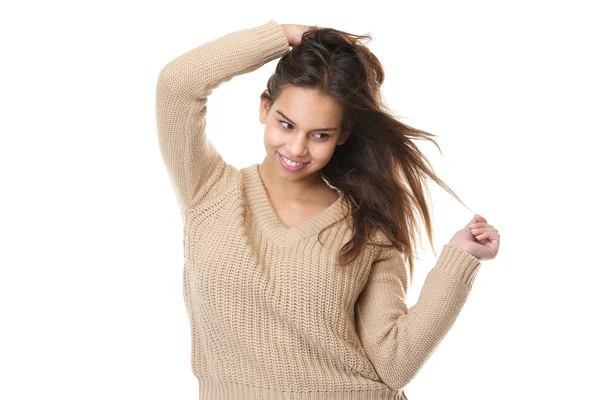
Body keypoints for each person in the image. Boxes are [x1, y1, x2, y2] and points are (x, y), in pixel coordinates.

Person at [155, 19, 500, 400]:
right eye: (286, 124)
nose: (297, 148)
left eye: (320, 134)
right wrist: (284, 35)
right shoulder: (210, 192)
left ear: (343, 136)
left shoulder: (366, 227)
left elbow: (395, 363)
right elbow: (178, 86)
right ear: (264, 108)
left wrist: (459, 261)